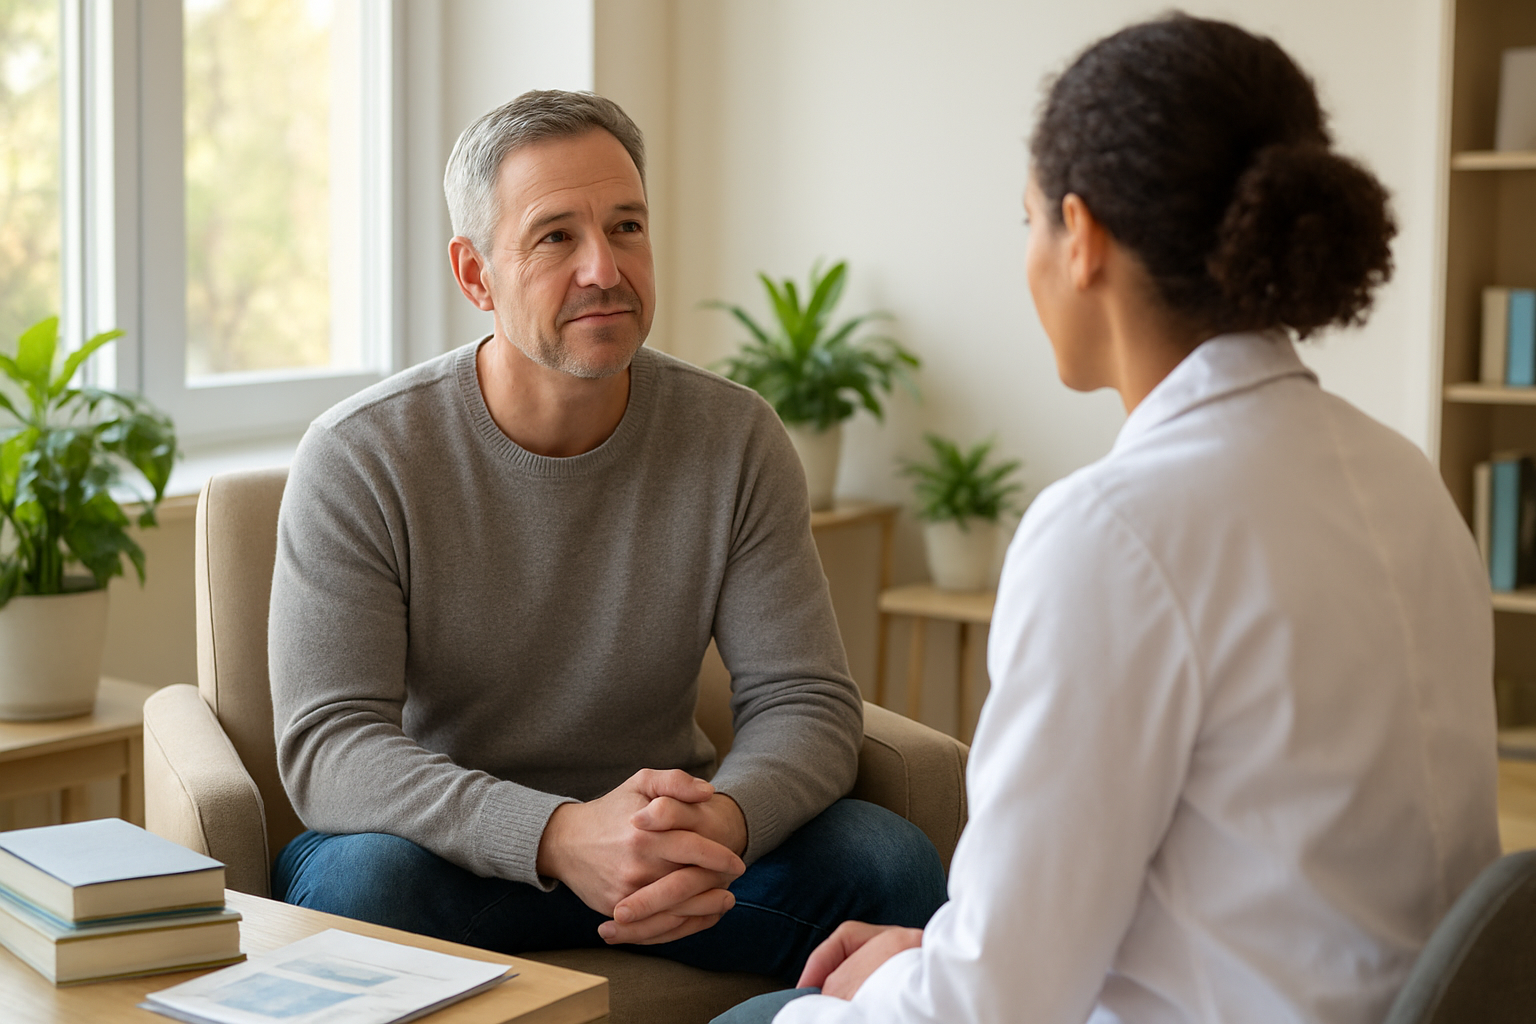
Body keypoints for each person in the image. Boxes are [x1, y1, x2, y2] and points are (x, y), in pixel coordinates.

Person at [717, 13, 1500, 1024]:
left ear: (1081, 237)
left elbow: (993, 1007)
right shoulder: (1404, 478)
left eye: (1030, 220)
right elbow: (1249, 879)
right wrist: (941, 950)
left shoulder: (1114, 532)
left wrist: (871, 992)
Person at [266, 90, 946, 983]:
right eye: (556, 237)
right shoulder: (361, 454)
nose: (604, 268)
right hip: (453, 858)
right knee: (358, 886)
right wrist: (555, 834)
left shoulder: (735, 437)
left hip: (674, 857)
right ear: (476, 275)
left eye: (627, 226)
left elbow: (804, 698)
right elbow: (330, 744)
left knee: (889, 863)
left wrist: (721, 823)